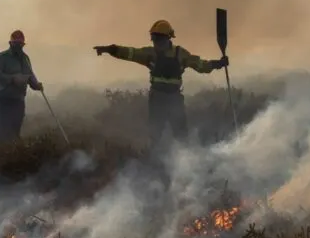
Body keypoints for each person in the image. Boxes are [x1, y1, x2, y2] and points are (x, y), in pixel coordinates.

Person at [93, 19, 228, 145]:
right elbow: (130, 53)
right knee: (155, 135)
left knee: (181, 135)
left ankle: (184, 160)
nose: (156, 41)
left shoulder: (180, 54)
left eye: (159, 38)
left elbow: (200, 65)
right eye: (155, 38)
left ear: (168, 38)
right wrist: (111, 49)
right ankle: (155, 160)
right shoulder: (150, 53)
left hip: (174, 99)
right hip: (158, 99)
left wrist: (218, 64)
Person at [0, 30, 43, 143]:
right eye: (16, 44)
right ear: (11, 44)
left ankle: (14, 154)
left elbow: (30, 75)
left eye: (20, 44)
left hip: (18, 99)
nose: (18, 47)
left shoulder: (25, 58)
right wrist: (12, 78)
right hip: (4, 98)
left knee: (16, 128)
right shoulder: (3, 57)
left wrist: (36, 85)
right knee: (3, 129)